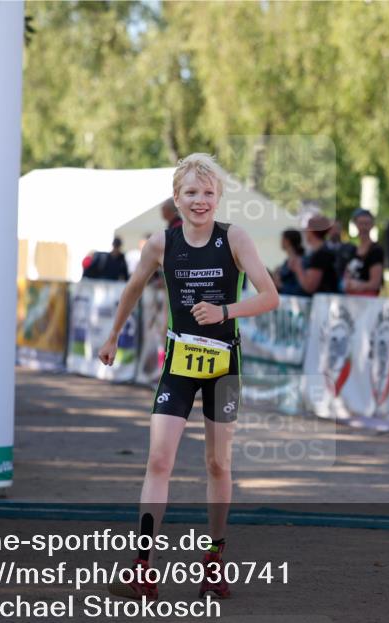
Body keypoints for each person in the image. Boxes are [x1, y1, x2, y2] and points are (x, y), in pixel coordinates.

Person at [98, 153, 279, 600]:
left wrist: (225, 311)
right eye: (191, 193)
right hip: (178, 365)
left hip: (224, 367)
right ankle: (142, 566)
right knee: (159, 460)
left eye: (208, 193)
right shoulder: (160, 244)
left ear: (218, 198)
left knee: (218, 464)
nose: (200, 201)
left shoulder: (235, 238)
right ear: (177, 199)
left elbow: (270, 296)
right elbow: (135, 286)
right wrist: (113, 334)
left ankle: (214, 560)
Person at [291, 215, 339, 294]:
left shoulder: (321, 255)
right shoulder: (322, 251)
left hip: (323, 303)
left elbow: (309, 287)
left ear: (311, 230)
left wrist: (298, 268)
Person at [342, 209, 384, 296]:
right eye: (360, 223)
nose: (363, 227)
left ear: (372, 225)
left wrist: (359, 285)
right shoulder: (352, 250)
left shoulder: (376, 250)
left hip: (366, 301)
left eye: (366, 223)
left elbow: (375, 284)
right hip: (351, 299)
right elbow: (347, 275)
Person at [272, 228, 308, 296]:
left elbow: (299, 288)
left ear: (287, 241)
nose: (280, 242)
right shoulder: (287, 262)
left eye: (282, 239)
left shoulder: (300, 261)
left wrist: (280, 284)